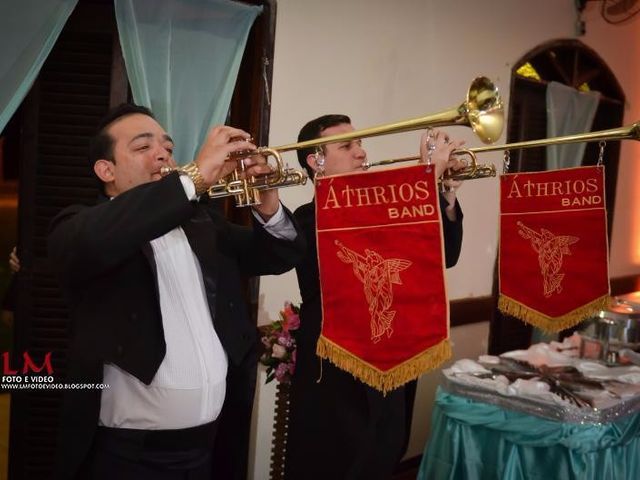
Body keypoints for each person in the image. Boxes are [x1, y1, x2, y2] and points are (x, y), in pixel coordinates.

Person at [46, 103, 305, 480]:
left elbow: (276, 254)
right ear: (106, 170)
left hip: (209, 446)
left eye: (167, 146)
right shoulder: (78, 226)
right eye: (142, 146)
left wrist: (268, 205)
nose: (162, 153)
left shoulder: (202, 223)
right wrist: (194, 178)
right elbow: (91, 242)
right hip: (127, 457)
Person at [285, 114, 464, 480]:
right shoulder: (307, 216)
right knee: (335, 460)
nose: (362, 152)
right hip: (334, 367)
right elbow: (351, 237)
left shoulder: (385, 212)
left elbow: (443, 256)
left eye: (360, 143)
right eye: (347, 146)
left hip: (391, 355)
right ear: (315, 160)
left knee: (385, 450)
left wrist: (445, 194)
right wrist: (422, 180)